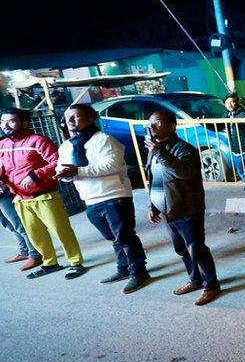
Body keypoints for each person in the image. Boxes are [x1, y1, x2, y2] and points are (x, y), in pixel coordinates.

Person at [54, 104, 150, 293]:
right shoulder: (66, 146)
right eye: (68, 117)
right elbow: (61, 167)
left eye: (76, 116)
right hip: (90, 199)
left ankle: (139, 272)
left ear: (90, 119)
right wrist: (63, 173)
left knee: (124, 236)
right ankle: (124, 268)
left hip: (114, 195)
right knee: (112, 237)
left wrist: (77, 170)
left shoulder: (105, 140)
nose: (70, 120)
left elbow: (111, 166)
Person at [144, 110, 221, 306]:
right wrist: (153, 205)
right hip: (168, 210)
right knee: (181, 249)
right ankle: (195, 280)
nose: (151, 127)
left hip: (187, 208)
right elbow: (154, 179)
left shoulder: (183, 149)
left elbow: (184, 173)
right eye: (150, 124)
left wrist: (160, 152)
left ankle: (211, 285)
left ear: (171, 126)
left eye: (157, 124)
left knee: (197, 249)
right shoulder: (154, 150)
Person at [0, 108, 85, 279]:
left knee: (61, 231)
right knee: (34, 234)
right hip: (20, 198)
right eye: (2, 121)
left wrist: (35, 175)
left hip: (45, 196)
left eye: (11, 121)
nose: (5, 125)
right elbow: (2, 166)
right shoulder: (2, 144)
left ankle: (75, 263)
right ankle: (50, 263)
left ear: (24, 123)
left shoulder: (38, 141)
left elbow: (57, 161)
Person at [0, 183, 42, 271]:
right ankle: (25, 251)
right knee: (10, 227)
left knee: (20, 226)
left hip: (4, 194)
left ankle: (35, 254)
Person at [223, 94, 245, 192]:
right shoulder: (226, 116)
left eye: (232, 102)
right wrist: (202, 121)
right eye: (227, 103)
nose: (230, 104)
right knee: (240, 170)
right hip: (234, 147)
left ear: (236, 103)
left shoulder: (242, 113)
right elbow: (217, 125)